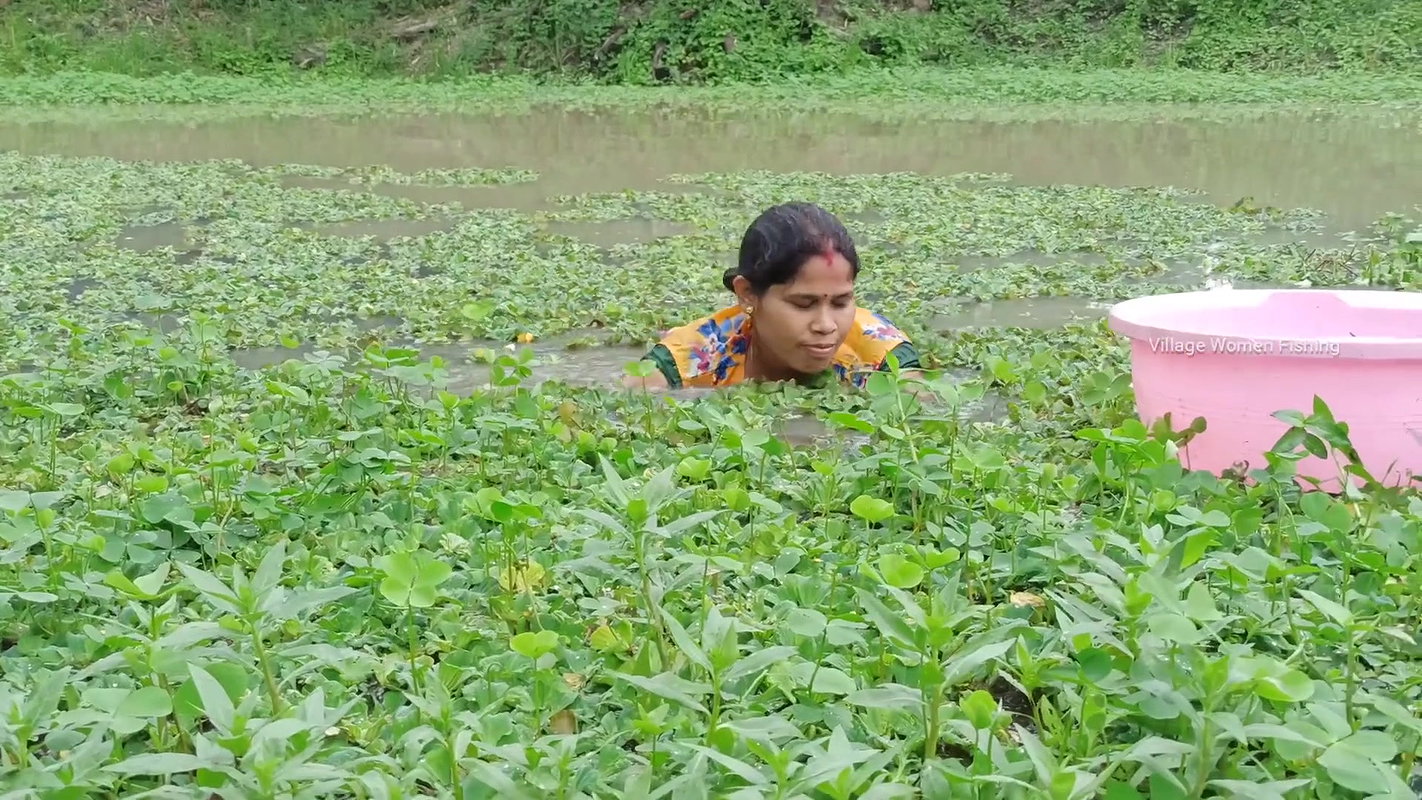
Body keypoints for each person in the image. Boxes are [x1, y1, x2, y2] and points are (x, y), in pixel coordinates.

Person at [624, 202, 922, 391]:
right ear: (748, 294)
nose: (826, 325)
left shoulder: (884, 358)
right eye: (804, 304)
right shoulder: (691, 357)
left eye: (841, 302)